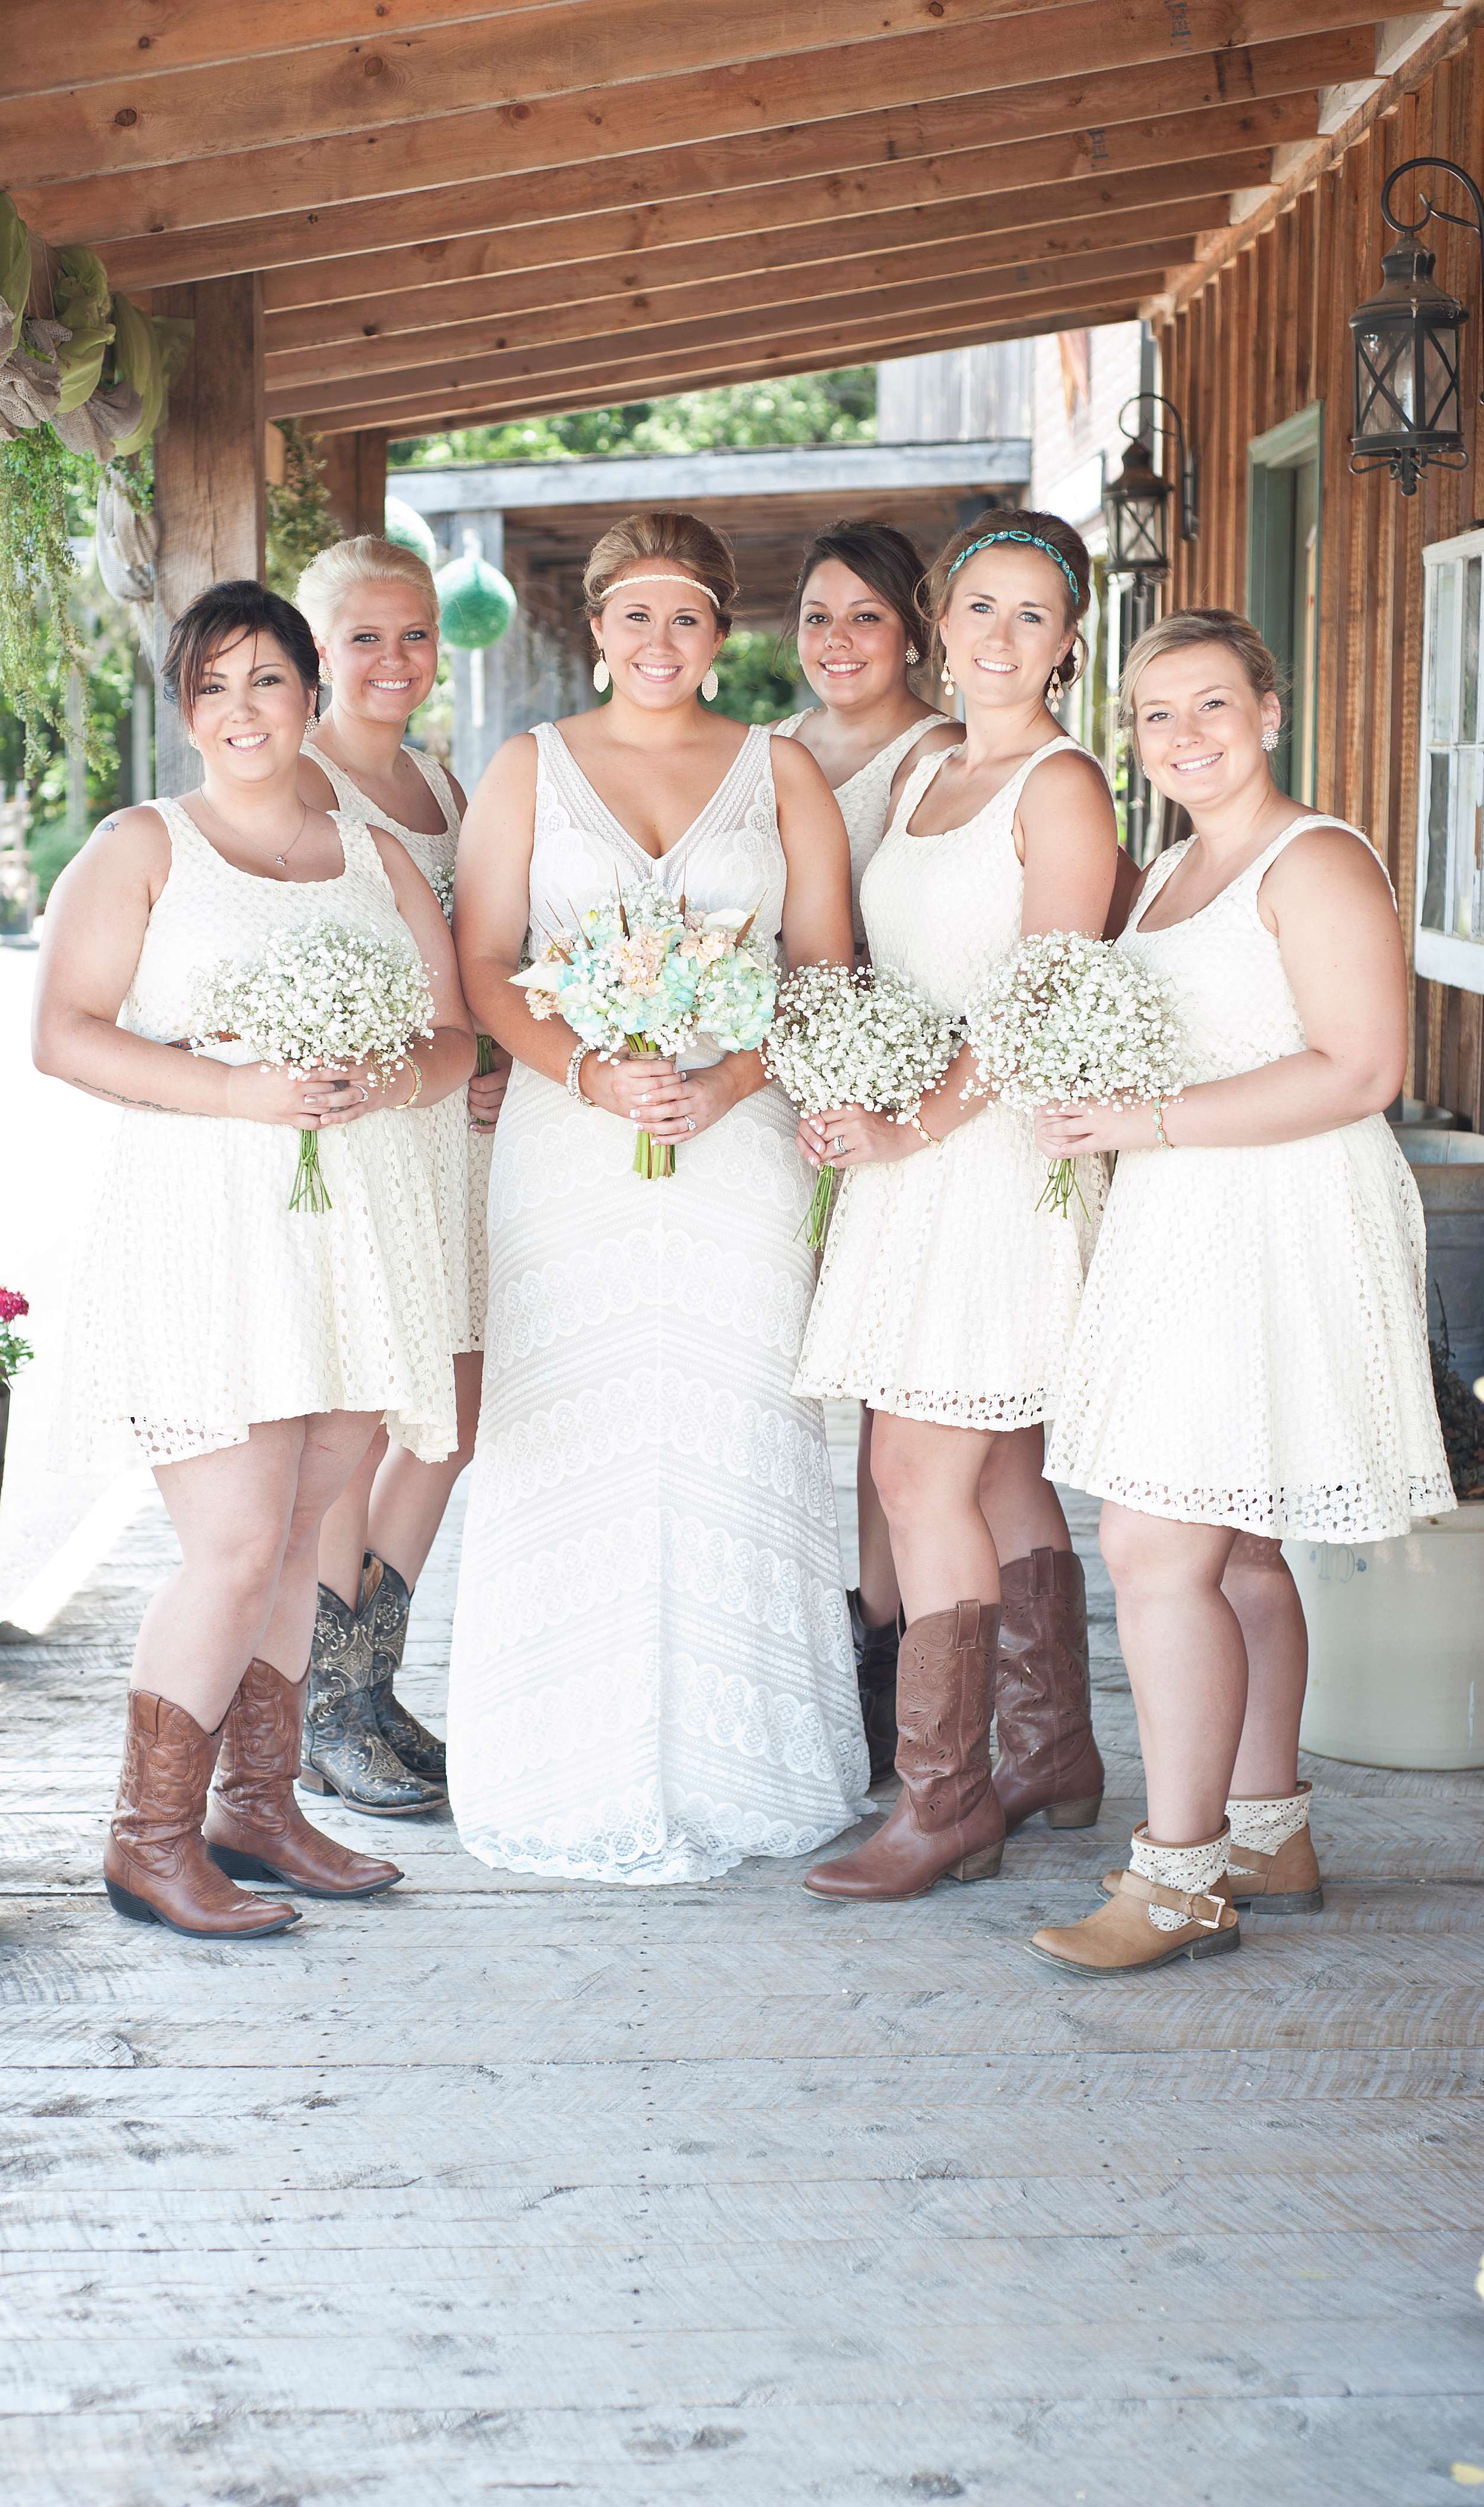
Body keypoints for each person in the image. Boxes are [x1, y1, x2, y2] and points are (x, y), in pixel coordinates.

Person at [35, 578, 475, 1937]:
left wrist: (382, 1077)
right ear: (187, 708)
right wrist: (245, 1093)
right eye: (213, 686)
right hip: (207, 1227)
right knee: (233, 1542)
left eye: (267, 681)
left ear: (308, 694)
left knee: (304, 1530)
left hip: (357, 1225)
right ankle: (147, 1836)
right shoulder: (144, 843)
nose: (243, 710)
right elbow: (64, 1033)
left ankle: (261, 1809)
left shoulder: (374, 853)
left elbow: (456, 1040)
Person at [446, 510, 871, 1883]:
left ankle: (751, 1762)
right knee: (571, 1424)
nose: (660, 640)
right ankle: (558, 1753)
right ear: (595, 623)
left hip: (737, 1143)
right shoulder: (527, 768)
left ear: (720, 630)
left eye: (686, 615)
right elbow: (487, 965)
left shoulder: (780, 769)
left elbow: (819, 966)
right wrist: (586, 1068)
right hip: (573, 1148)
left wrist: (737, 1079)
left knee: (736, 1415)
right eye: (635, 613)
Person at [1029, 610, 1453, 1975]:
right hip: (1182, 1214)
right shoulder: (1161, 879)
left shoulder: (1313, 858)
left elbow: (1360, 1068)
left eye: (1212, 705)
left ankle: (1177, 1879)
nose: (1185, 737)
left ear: (1270, 712)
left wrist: (1144, 1120)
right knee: (1244, 1544)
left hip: (1278, 1219)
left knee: (1160, 1551)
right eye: (1156, 714)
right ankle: (1268, 1827)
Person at [791, 509, 1119, 1904]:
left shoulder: (1061, 785)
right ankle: (1049, 1750)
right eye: (980, 607)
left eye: (1032, 617)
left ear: (1066, 643)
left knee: (914, 1473)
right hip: (905, 1148)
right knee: (993, 1469)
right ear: (943, 617)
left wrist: (910, 1120)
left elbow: (1044, 994)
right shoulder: (929, 769)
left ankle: (945, 1800)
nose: (1000, 637)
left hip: (988, 1158)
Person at [290, 537, 508, 1817]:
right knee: (362, 1412)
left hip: (457, 1139)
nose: (392, 659)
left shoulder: (440, 781)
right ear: (318, 650)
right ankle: (332, 1708)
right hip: (363, 1139)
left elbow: (483, 962)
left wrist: (493, 1058)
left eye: (413, 634)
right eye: (363, 636)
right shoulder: (303, 787)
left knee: (455, 1407)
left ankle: (371, 1680)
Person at [770, 522, 945, 1775]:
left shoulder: (936, 758)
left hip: (896, 1098)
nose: (838, 641)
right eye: (819, 616)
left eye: (866, 617)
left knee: (896, 1395)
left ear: (913, 633)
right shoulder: (766, 757)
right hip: (765, 1091)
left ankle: (895, 1656)